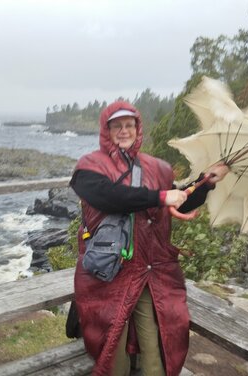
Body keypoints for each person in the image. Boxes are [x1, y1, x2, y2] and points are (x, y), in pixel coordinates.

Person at [70, 100, 228, 376]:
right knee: (111, 345)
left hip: (147, 269)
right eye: (116, 126)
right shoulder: (89, 166)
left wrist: (205, 182)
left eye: (129, 125)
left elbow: (178, 201)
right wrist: (159, 196)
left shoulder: (156, 169)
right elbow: (107, 196)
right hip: (105, 272)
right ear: (106, 130)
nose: (123, 131)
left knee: (157, 342)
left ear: (138, 128)